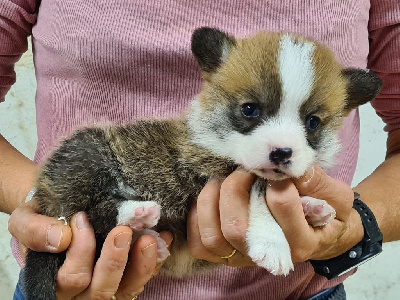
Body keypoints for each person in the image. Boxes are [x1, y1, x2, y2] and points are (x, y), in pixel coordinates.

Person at [1, 0, 399, 299]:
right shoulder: (208, 141)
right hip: (75, 285)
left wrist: (355, 223)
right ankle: (108, 216)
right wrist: (46, 213)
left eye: (311, 124)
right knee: (90, 160)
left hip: (303, 293)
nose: (283, 143)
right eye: (250, 111)